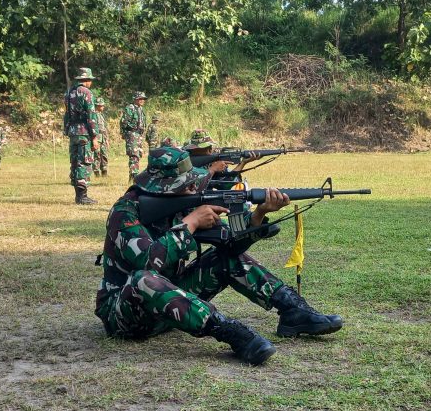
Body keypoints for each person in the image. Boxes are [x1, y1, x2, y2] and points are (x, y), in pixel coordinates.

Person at [95, 147, 344, 365]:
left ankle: (293, 310)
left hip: (172, 309)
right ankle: (231, 333)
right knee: (143, 278)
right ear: (162, 188)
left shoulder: (183, 203)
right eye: (186, 185)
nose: (194, 188)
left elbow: (231, 246)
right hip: (126, 316)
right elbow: (148, 260)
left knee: (224, 257)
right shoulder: (126, 212)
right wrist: (191, 223)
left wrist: (258, 216)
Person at [64, 67, 101, 204]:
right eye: (90, 80)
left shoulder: (69, 92)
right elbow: (91, 116)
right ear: (87, 80)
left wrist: (67, 129)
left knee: (75, 162)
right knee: (84, 162)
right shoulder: (86, 93)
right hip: (84, 132)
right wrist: (95, 136)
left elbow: (67, 114)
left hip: (73, 132)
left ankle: (77, 195)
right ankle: (82, 196)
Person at [119, 91, 149, 183]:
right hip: (132, 133)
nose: (142, 100)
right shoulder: (130, 108)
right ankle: (133, 176)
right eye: (140, 99)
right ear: (135, 99)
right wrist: (125, 132)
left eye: (143, 99)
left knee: (138, 155)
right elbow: (123, 121)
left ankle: (134, 175)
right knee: (134, 155)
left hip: (139, 134)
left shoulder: (140, 109)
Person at [92, 96, 110, 177]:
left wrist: (106, 139)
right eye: (101, 105)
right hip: (97, 137)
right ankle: (96, 173)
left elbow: (104, 128)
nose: (103, 106)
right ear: (97, 105)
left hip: (103, 138)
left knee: (104, 155)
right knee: (97, 155)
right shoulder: (93, 115)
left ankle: (104, 172)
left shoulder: (101, 115)